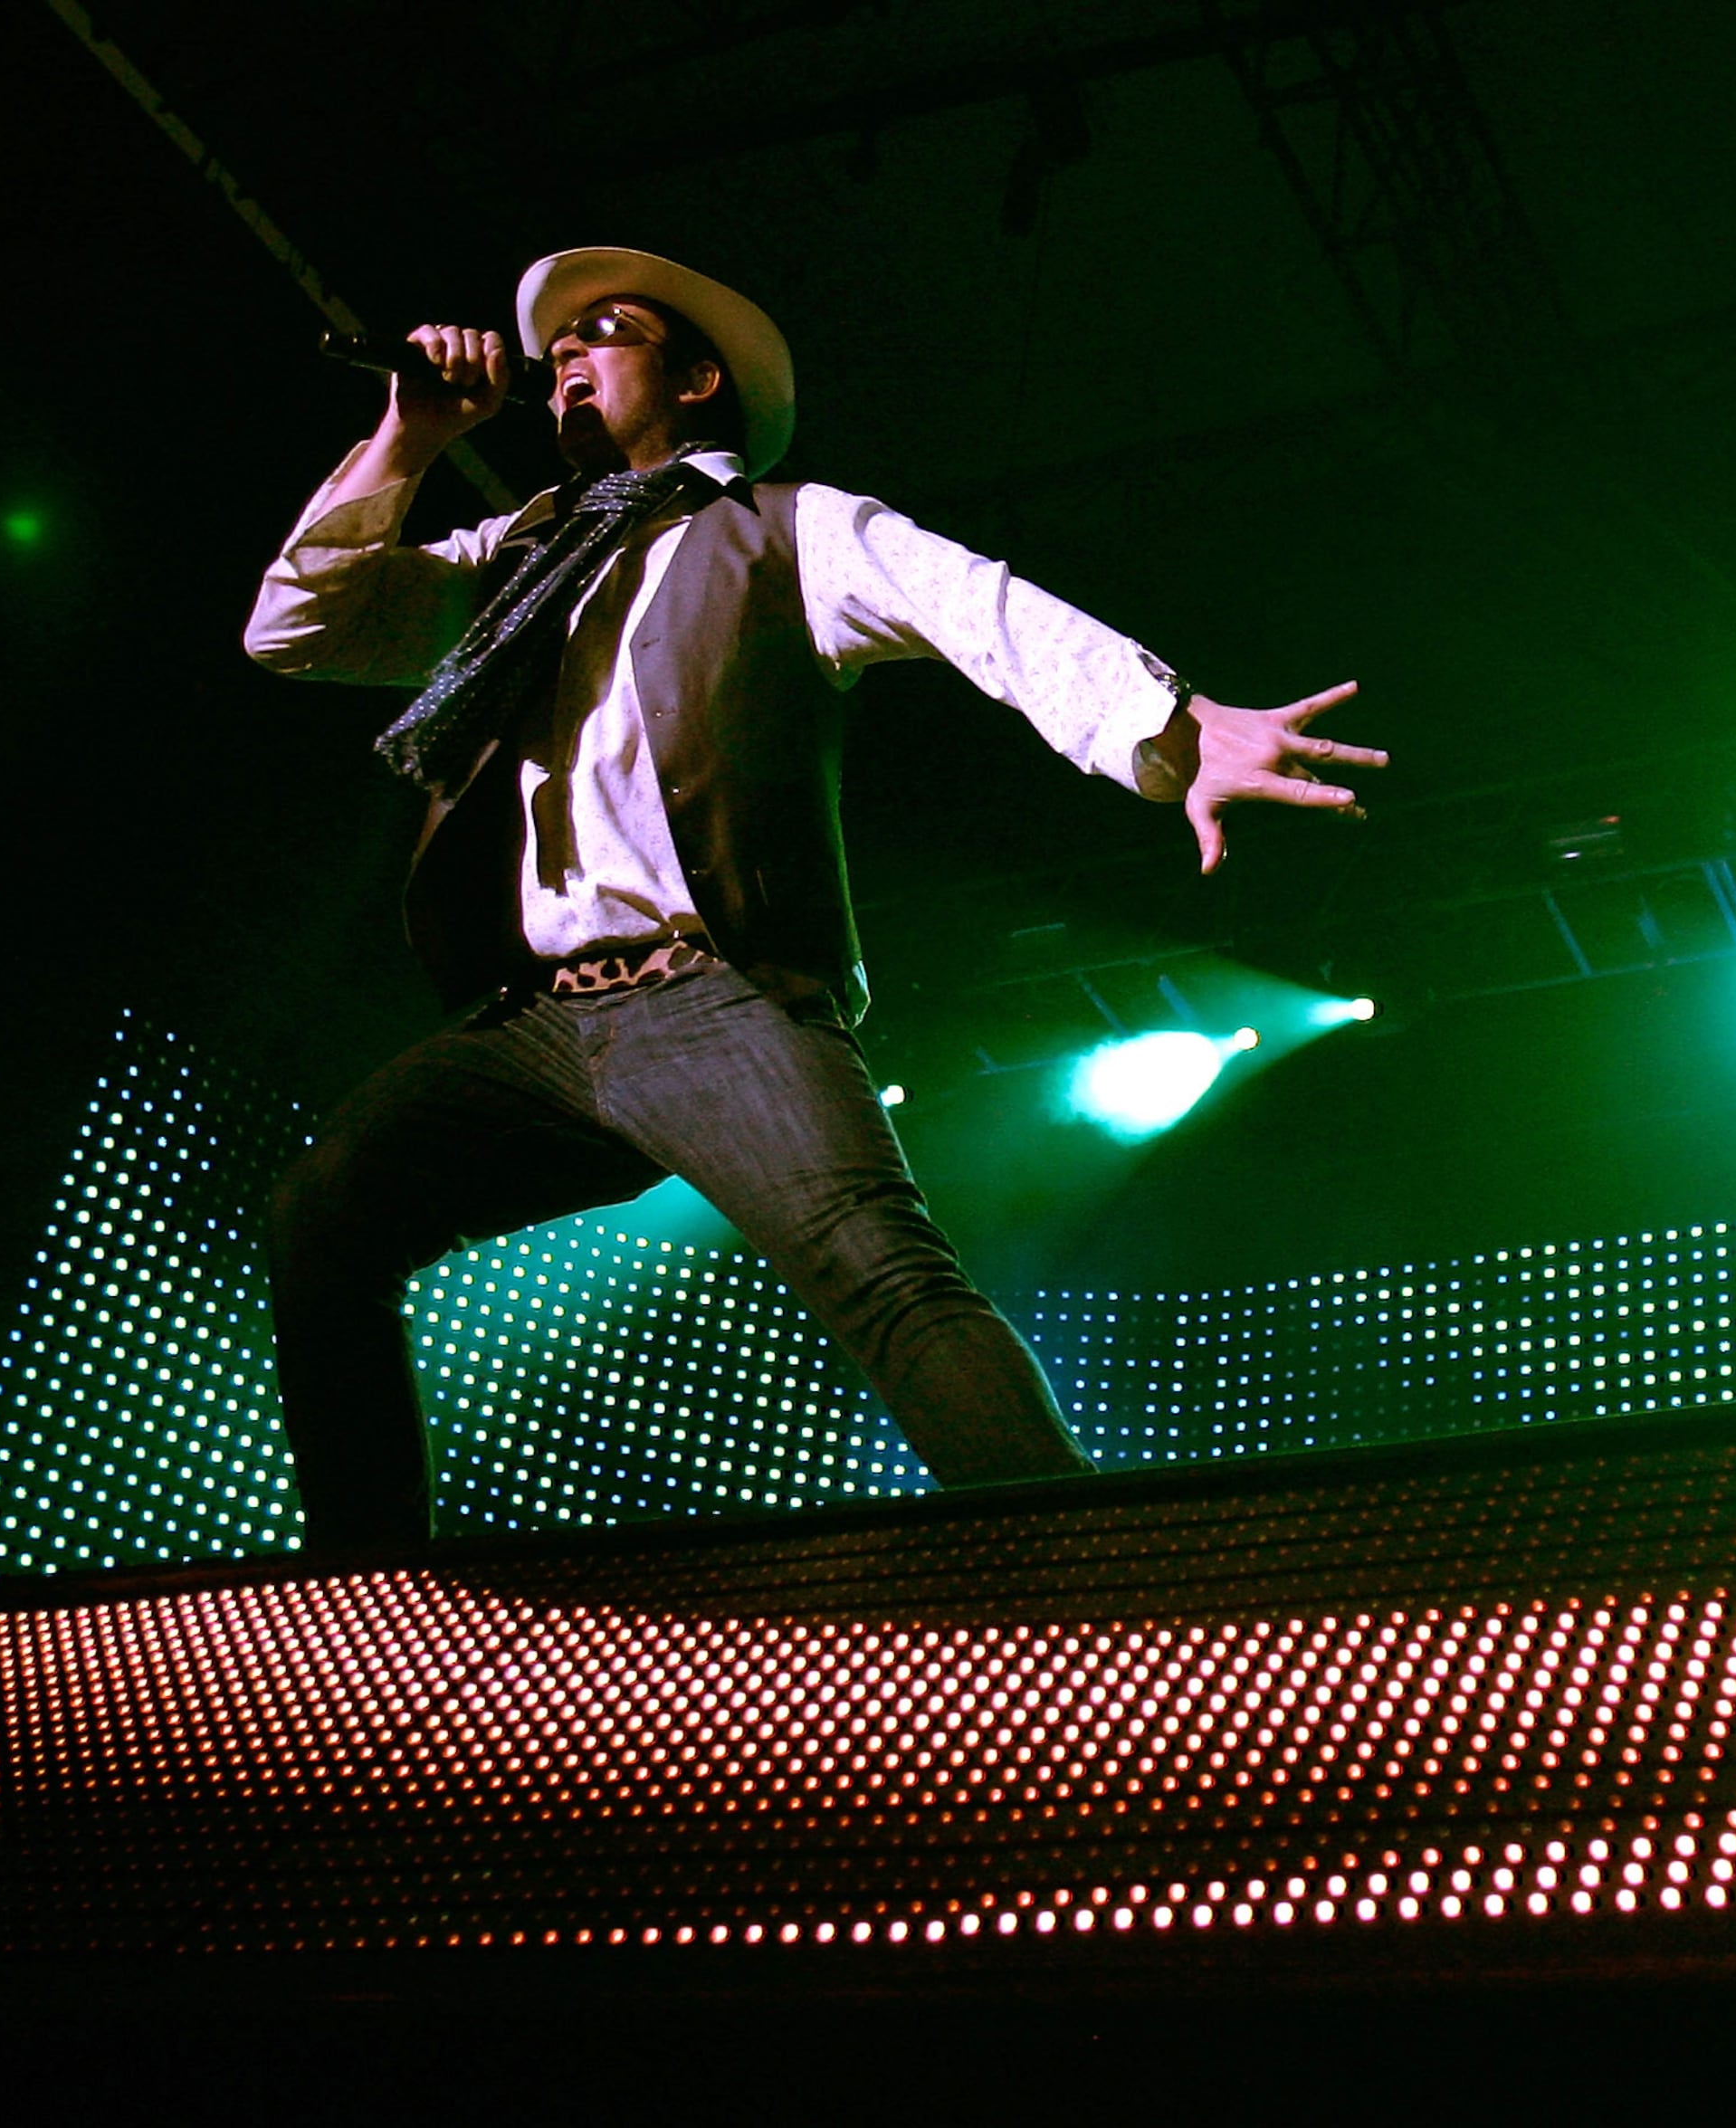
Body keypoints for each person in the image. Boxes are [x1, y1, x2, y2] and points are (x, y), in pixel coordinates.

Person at [243, 246, 1383, 1552]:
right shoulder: (516, 559)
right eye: (550, 341)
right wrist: (409, 434)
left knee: (886, 1276)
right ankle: (362, 1588)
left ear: (696, 375)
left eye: (600, 330)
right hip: (529, 1026)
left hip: (710, 1000)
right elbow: (298, 628)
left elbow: (985, 613)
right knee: (321, 1216)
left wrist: (1171, 725)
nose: (562, 350)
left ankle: (1097, 1568)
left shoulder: (793, 526)